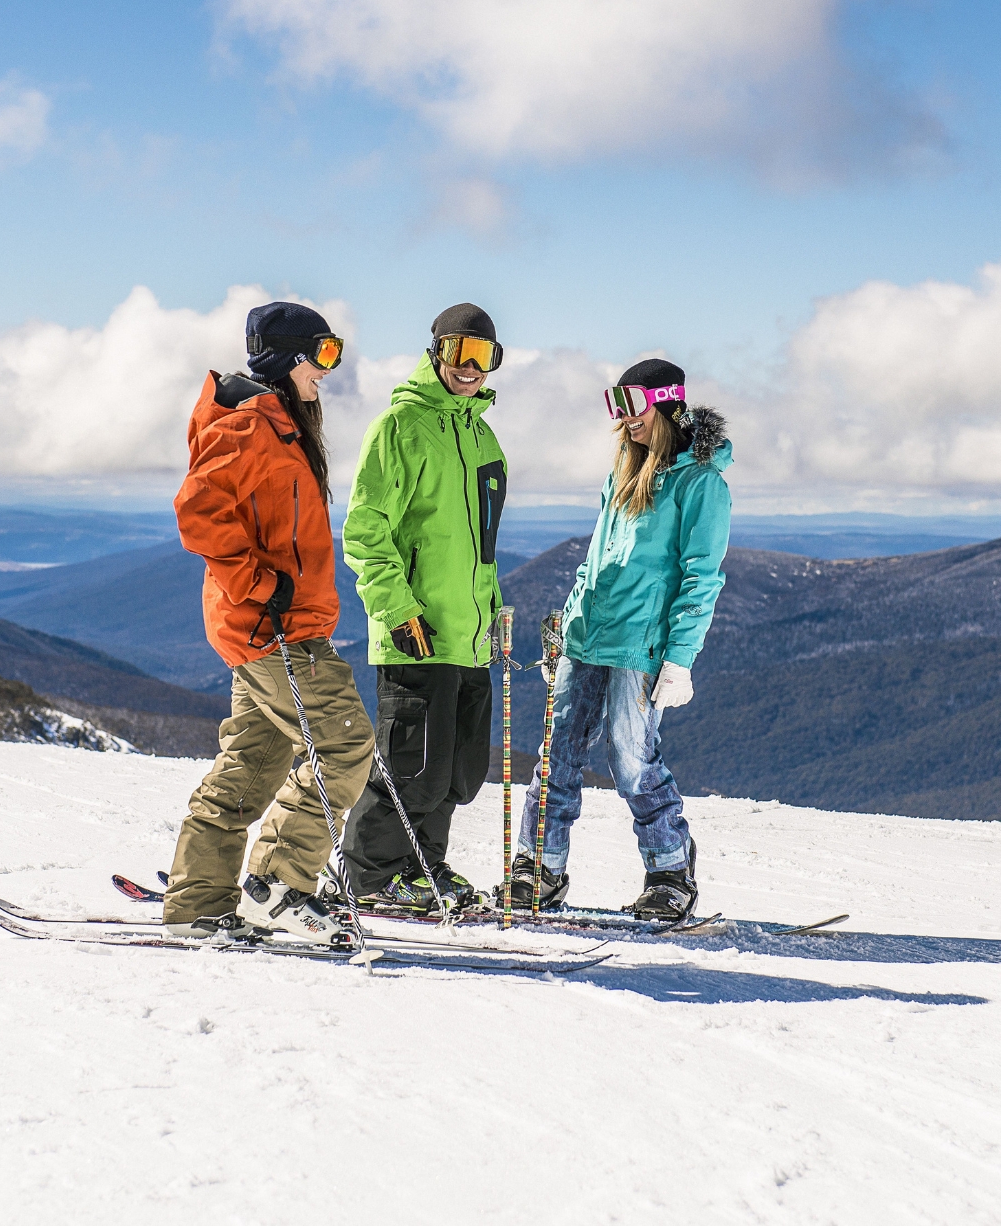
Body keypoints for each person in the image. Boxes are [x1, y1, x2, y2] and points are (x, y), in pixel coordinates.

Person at [163, 301, 375, 940]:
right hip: (272, 630)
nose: (327, 371)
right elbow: (198, 511)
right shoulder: (254, 425)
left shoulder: (280, 424)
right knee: (344, 745)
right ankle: (278, 882)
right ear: (288, 357)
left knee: (254, 763)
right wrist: (260, 585)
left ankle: (200, 903)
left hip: (264, 627)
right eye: (324, 355)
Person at [502, 358, 731, 921]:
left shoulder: (700, 484)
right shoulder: (622, 474)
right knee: (557, 758)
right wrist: (569, 616)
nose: (624, 420)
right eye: (617, 406)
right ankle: (539, 869)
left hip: (640, 647)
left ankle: (670, 872)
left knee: (632, 762)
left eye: (633, 406)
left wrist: (680, 660)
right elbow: (595, 559)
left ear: (668, 405)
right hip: (587, 639)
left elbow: (702, 577)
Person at [341, 303, 508, 910]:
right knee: (412, 766)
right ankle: (368, 876)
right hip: (416, 629)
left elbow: (483, 550)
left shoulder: (484, 436)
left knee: (456, 773)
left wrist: (492, 616)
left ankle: (420, 870)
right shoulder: (401, 426)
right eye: (460, 353)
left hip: (467, 638)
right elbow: (365, 530)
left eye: (484, 357)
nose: (470, 368)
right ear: (436, 350)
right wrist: (395, 608)